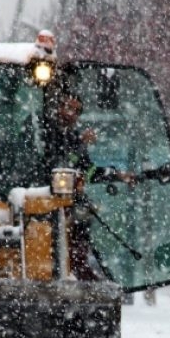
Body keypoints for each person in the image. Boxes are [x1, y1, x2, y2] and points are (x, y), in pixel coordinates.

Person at [48, 90, 135, 279]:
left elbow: (87, 170)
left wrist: (116, 175)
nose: (71, 114)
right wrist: (79, 144)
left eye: (76, 111)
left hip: (63, 207)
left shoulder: (71, 137)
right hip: (42, 202)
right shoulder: (44, 131)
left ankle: (76, 266)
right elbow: (54, 163)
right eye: (68, 107)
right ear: (56, 107)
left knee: (82, 216)